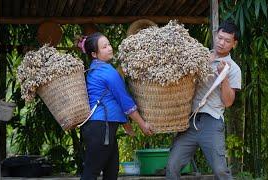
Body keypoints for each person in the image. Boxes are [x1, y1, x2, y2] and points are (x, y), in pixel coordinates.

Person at [166, 20, 241, 180]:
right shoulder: (199, 56)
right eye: (220, 38)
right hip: (189, 120)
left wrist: (224, 78)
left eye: (227, 41)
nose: (222, 43)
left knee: (220, 171)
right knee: (172, 165)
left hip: (211, 122)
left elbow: (228, 102)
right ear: (215, 35)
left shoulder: (233, 68)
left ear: (234, 44)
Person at [77, 32, 153, 180]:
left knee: (111, 172)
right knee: (91, 173)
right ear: (94, 54)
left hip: (103, 128)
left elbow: (112, 101)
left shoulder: (96, 69)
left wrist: (125, 124)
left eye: (109, 44)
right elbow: (125, 102)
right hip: (101, 128)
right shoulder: (108, 72)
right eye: (104, 47)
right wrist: (142, 124)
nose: (110, 48)